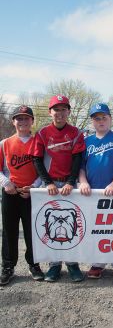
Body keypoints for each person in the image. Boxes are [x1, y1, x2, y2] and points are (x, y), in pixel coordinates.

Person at [31, 95, 86, 283]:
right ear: (50, 112)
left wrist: (71, 181)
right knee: (50, 224)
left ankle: (72, 265)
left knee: (72, 224)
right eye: (56, 109)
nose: (60, 113)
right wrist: (48, 183)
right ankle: (54, 266)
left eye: (64, 109)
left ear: (68, 111)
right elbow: (37, 160)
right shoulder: (42, 133)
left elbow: (78, 159)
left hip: (70, 185)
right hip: (51, 185)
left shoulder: (76, 132)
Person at [79, 103, 113, 279]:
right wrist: (83, 182)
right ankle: (97, 263)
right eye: (97, 118)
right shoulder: (86, 141)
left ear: (110, 119)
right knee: (95, 229)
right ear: (92, 121)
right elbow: (81, 166)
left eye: (104, 117)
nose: (101, 121)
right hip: (92, 194)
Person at [0, 105, 44, 286]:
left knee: (32, 231)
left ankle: (34, 264)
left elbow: (44, 171)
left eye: (26, 118)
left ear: (32, 121)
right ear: (13, 121)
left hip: (31, 194)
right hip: (11, 192)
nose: (22, 121)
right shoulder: (4, 144)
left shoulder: (38, 143)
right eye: (19, 118)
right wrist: (6, 183)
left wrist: (34, 187)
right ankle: (8, 266)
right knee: (9, 231)